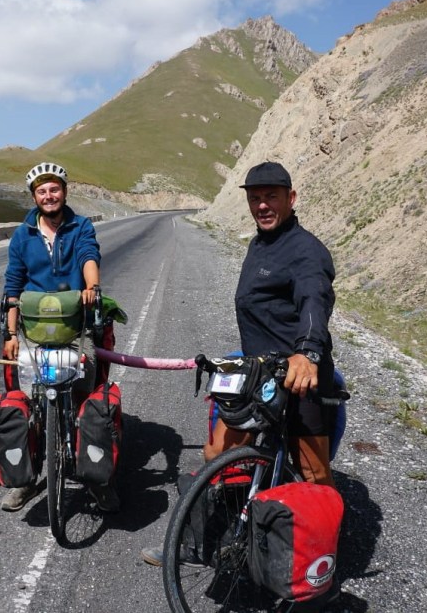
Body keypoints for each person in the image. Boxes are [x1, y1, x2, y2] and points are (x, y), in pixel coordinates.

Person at [142, 160, 337, 565]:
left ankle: (320, 570)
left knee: (315, 477)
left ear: (291, 198)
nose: (262, 205)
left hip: (300, 376)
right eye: (255, 198)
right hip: (258, 376)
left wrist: (309, 352)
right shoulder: (259, 244)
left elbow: (313, 301)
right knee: (217, 456)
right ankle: (201, 543)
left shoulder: (306, 251)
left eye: (271, 197)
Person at [0, 161, 119, 513]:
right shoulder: (23, 235)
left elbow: (88, 256)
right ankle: (26, 478)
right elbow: (13, 285)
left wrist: (92, 287)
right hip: (33, 329)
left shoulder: (80, 226)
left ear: (64, 192)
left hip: (75, 326)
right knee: (27, 400)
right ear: (34, 196)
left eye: (54, 189)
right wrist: (11, 333)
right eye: (42, 191)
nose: (49, 196)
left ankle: (97, 477)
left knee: (87, 393)